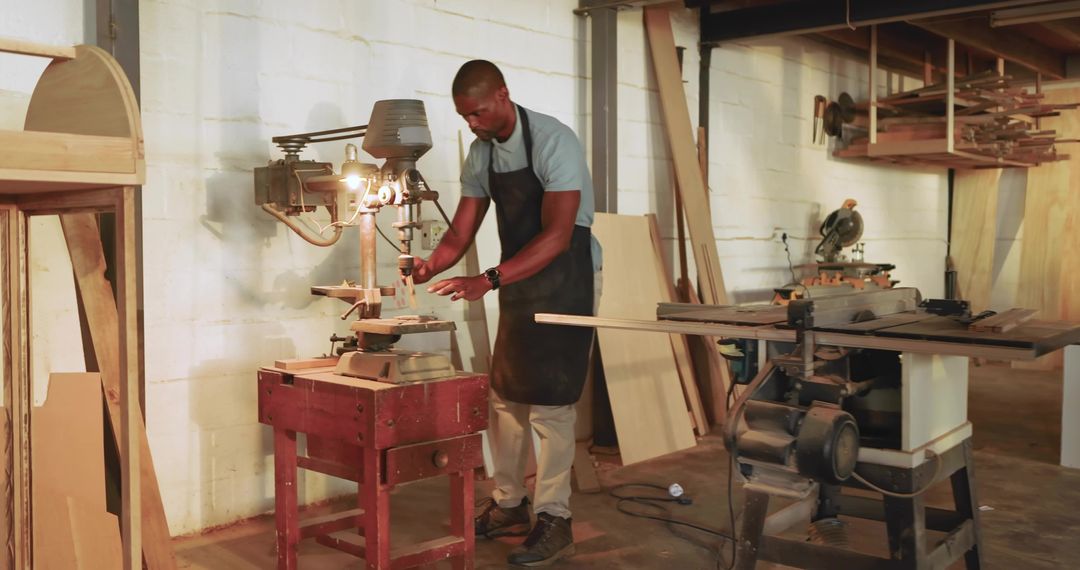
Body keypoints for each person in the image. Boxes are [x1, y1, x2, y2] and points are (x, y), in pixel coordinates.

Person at [409, 59, 601, 567]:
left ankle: (556, 519)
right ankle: (510, 505)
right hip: (519, 279)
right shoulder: (481, 156)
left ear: (501, 94)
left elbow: (559, 236)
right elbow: (460, 232)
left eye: (476, 112)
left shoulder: (554, 141)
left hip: (567, 279)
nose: (471, 124)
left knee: (552, 405)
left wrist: (488, 279)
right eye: (463, 117)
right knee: (506, 398)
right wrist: (429, 265)